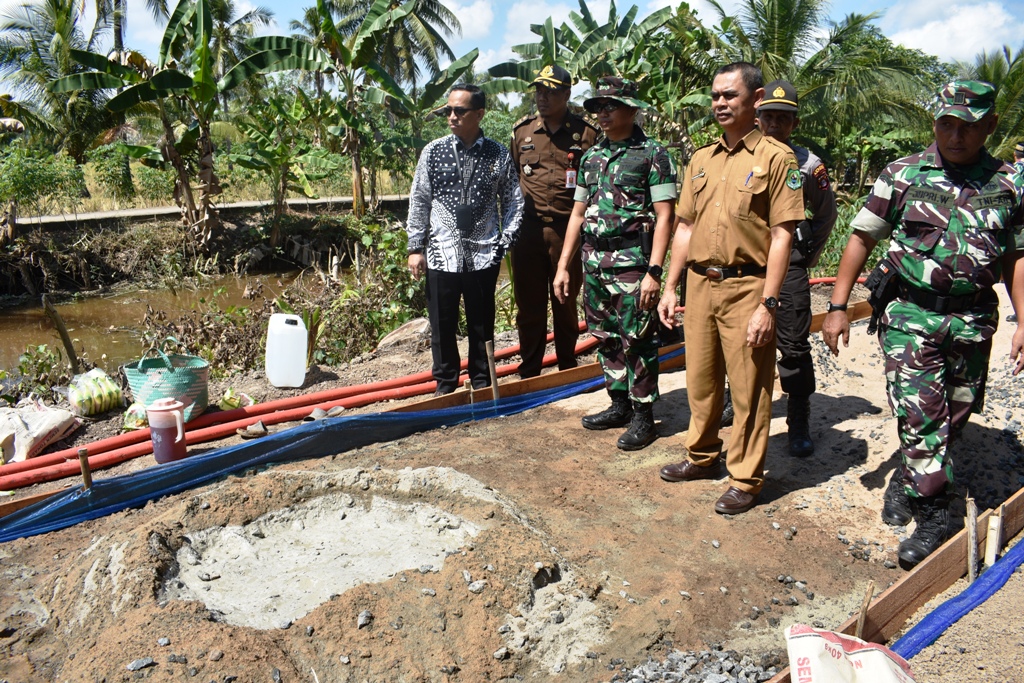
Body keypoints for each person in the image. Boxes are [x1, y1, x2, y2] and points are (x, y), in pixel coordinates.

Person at [821, 80, 1024, 568]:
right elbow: (861, 238)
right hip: (911, 313)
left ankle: (908, 477)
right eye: (946, 124)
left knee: (955, 410)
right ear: (935, 123)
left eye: (969, 126)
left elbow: (1017, 256)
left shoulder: (1009, 184)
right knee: (920, 410)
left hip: (974, 316)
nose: (956, 135)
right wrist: (836, 305)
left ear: (990, 127)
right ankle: (936, 513)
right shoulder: (903, 174)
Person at [656, 62, 804, 515]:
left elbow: (783, 234)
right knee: (700, 379)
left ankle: (745, 477)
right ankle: (701, 456)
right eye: (715, 96)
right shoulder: (701, 159)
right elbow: (684, 226)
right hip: (701, 284)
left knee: (749, 389)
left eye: (730, 96)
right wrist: (670, 286)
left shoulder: (777, 159)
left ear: (755, 100)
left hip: (748, 287)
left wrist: (769, 304)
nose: (720, 103)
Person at [552, 77, 677, 450]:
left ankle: (644, 416)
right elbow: (577, 214)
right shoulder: (591, 157)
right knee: (604, 336)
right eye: (598, 108)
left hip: (632, 263)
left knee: (637, 338)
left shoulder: (652, 154)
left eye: (610, 106)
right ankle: (619, 404)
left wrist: (655, 271)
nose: (602, 114)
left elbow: (665, 215)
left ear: (631, 109)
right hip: (594, 263)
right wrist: (563, 266)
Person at [722, 80, 838, 458]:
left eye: (782, 118)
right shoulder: (740, 158)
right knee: (738, 339)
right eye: (768, 116)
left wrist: (805, 257)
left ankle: (798, 418)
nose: (774, 124)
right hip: (745, 265)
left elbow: (824, 216)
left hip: (788, 267)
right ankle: (734, 402)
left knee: (792, 345)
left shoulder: (808, 166)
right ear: (757, 117)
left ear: (794, 123)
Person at [406, 84, 524, 395]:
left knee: (481, 325)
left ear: (479, 114)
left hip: (484, 255)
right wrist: (415, 247)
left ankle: (483, 384)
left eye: (460, 110)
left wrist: (505, 240)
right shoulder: (433, 152)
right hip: (440, 255)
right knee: (442, 327)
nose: (452, 116)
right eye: (448, 110)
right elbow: (419, 200)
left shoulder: (497, 153)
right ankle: (445, 386)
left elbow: (513, 198)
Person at [511, 65, 600, 378]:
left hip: (567, 230)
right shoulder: (522, 132)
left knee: (565, 302)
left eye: (550, 91)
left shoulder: (586, 135)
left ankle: (566, 366)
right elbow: (514, 179)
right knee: (529, 306)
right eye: (539, 91)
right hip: (527, 231)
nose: (542, 97)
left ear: (567, 94)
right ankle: (530, 371)